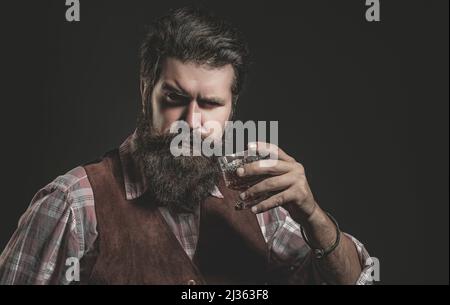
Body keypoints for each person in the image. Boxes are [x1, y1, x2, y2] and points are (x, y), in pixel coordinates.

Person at [0, 6, 372, 285]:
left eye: (210, 104)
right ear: (148, 91)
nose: (191, 123)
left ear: (231, 109)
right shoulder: (74, 204)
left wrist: (311, 214)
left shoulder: (258, 202)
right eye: (175, 98)